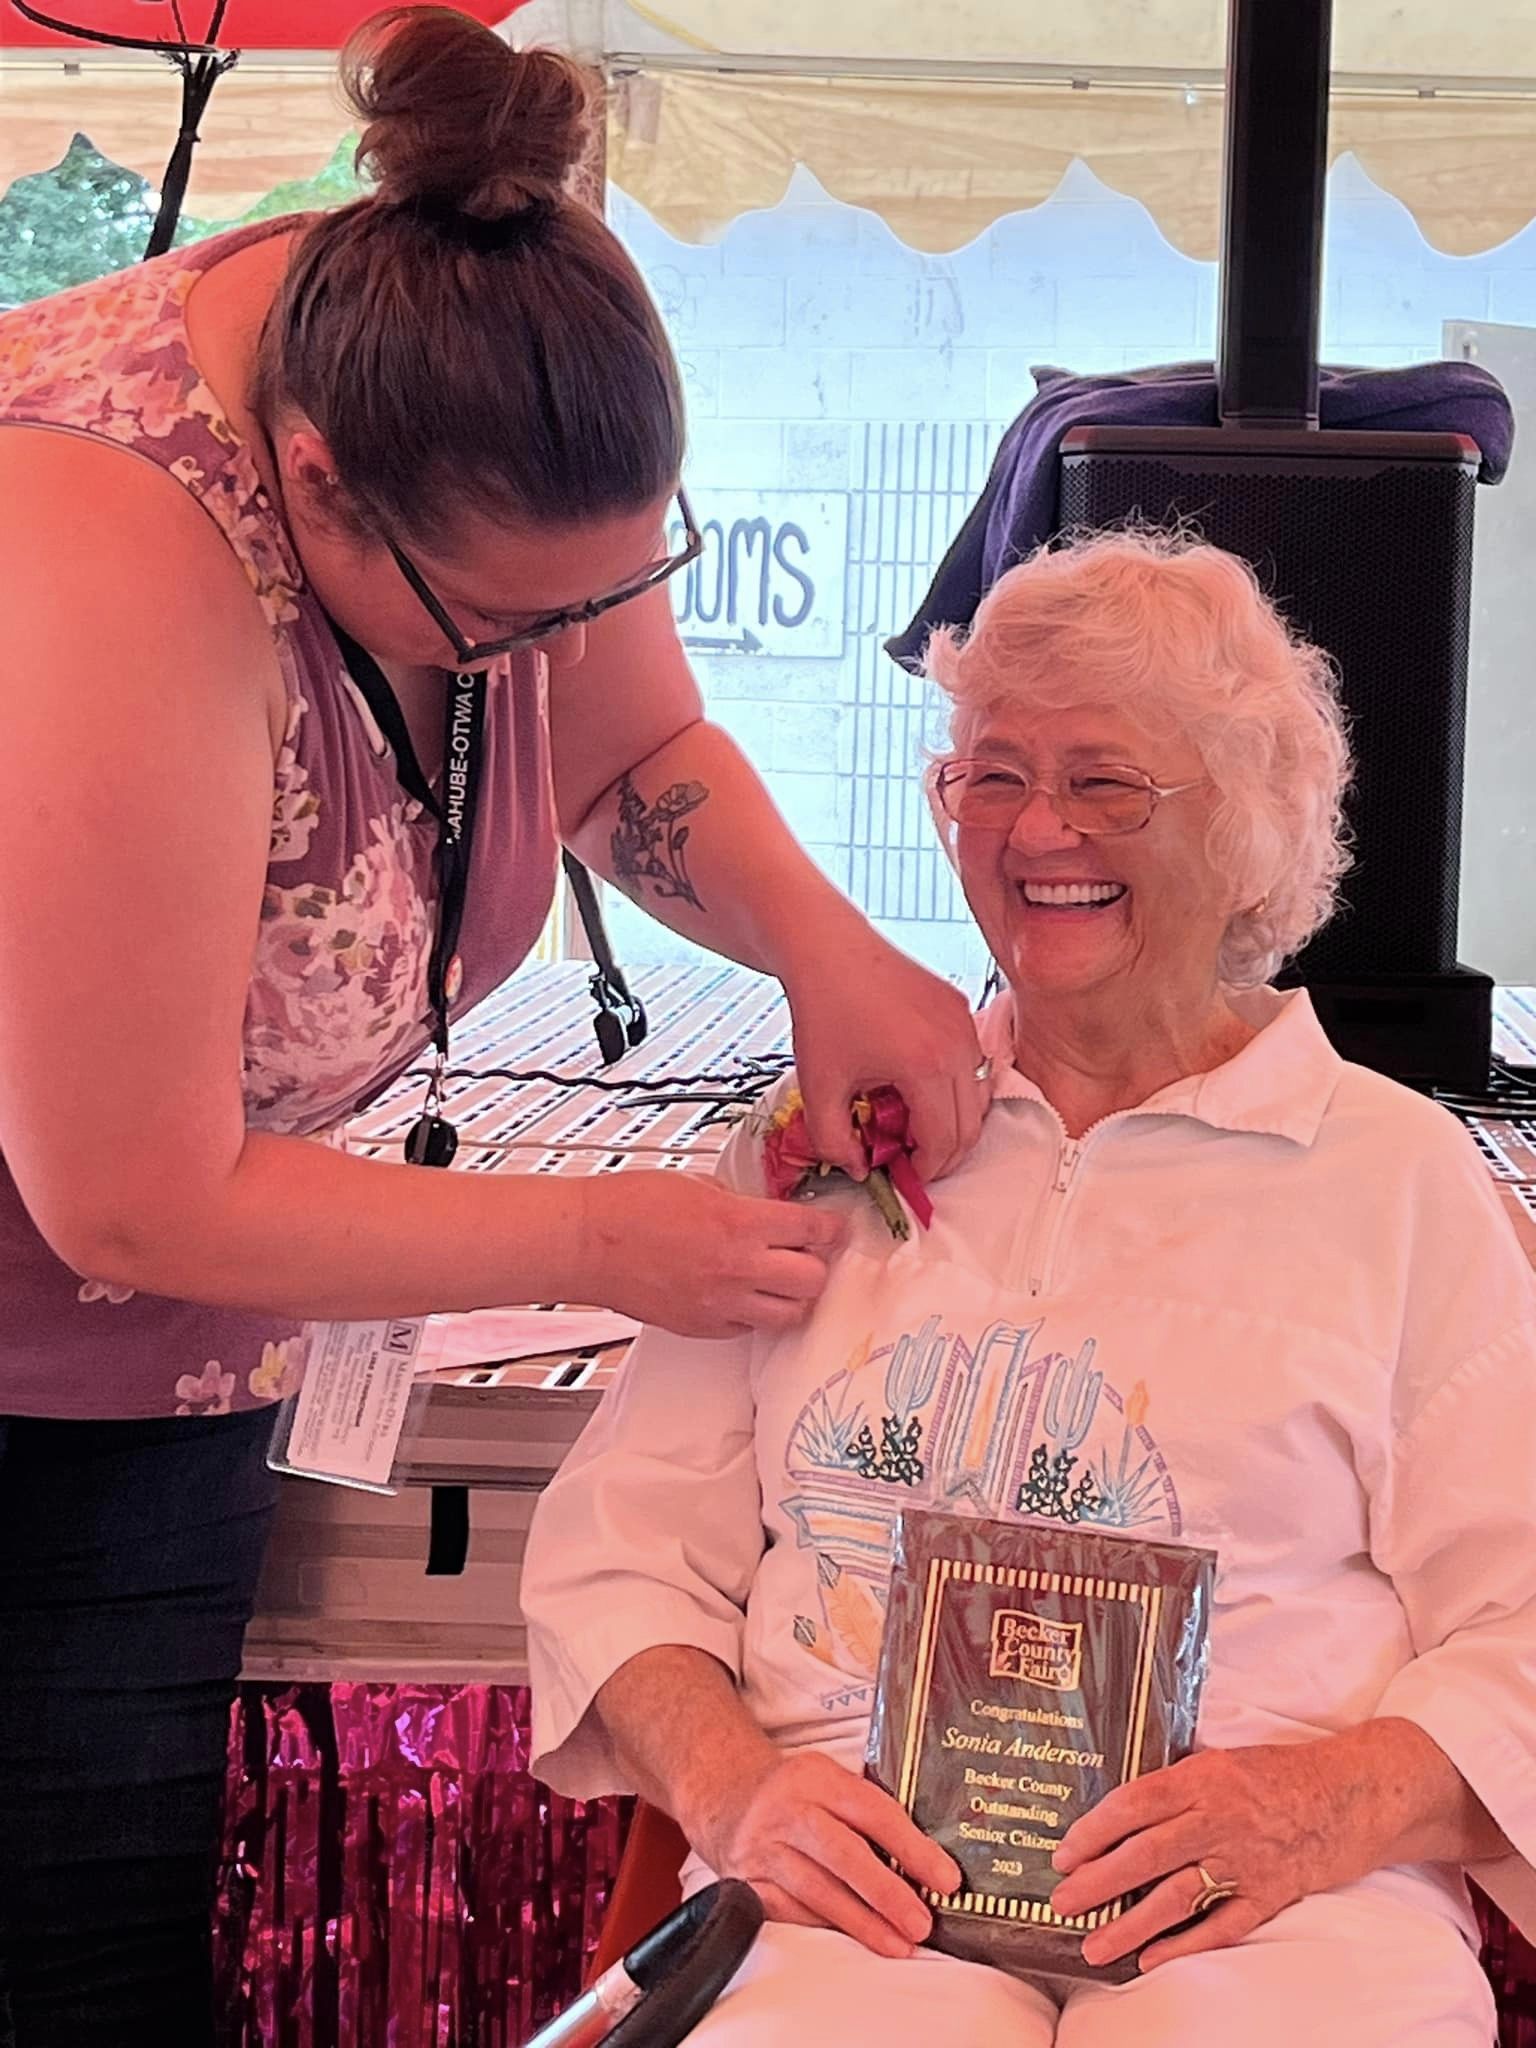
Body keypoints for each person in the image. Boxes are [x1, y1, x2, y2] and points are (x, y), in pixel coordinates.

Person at [0, 9, 988, 2041]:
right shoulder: (106, 547)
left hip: (176, 1335)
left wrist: (828, 949)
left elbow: (631, 754)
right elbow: (129, 1196)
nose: (552, 660)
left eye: (603, 596)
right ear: (314, 489)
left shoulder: (498, 356)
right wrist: (595, 1240)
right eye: (509, 629)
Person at [523, 530, 1536, 2047]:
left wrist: (1323, 1805)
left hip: (1279, 1909)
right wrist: (737, 1791)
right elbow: (623, 1555)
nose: (1036, 828)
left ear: (1247, 827)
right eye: (990, 775)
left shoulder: (1394, 1178)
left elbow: (1523, 1611)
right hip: (850, 1906)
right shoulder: (825, 1146)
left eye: (1105, 781)